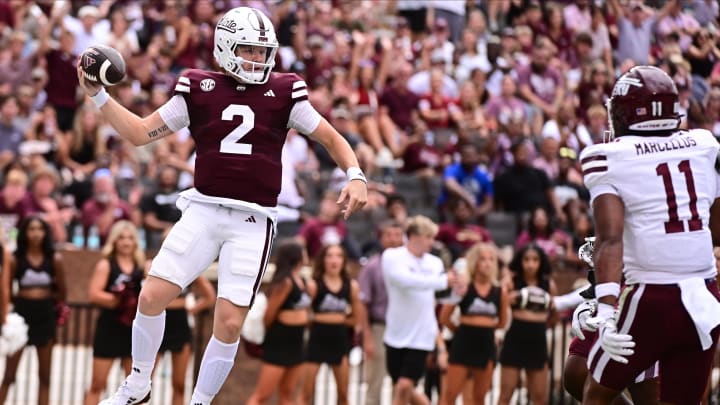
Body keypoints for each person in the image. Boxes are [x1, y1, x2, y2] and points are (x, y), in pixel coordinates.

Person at [77, 7, 367, 405]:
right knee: (150, 296)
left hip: (253, 219)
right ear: (227, 48)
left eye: (263, 52)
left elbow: (333, 138)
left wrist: (355, 174)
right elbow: (141, 133)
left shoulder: (285, 92)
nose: (258, 60)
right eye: (249, 50)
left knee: (229, 323)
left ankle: (199, 402)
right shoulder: (198, 87)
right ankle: (138, 384)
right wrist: (98, 95)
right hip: (203, 210)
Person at [580, 65, 720, 405]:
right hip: (704, 292)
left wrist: (607, 309)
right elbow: (714, 222)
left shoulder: (608, 157)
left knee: (594, 394)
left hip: (651, 295)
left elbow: (610, 240)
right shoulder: (704, 143)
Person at [382, 215, 457, 405]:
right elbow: (405, 281)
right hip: (395, 333)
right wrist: (443, 281)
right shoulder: (392, 256)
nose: (433, 242)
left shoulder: (435, 263)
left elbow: (441, 295)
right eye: (429, 237)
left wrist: (458, 289)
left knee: (404, 387)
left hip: (422, 335)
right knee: (406, 387)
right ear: (415, 236)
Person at [0, 215, 68, 405]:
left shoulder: (54, 259)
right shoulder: (15, 259)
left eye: (40, 229)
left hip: (45, 316)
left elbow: (62, 292)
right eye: (31, 229)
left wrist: (46, 300)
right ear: (24, 232)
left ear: (46, 232)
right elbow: (6, 288)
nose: (36, 233)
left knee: (45, 376)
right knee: (9, 374)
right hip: (21, 316)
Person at [439, 242, 509, 405]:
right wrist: (461, 330)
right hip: (463, 344)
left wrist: (484, 328)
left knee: (479, 398)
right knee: (449, 395)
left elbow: (502, 322)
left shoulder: (500, 291)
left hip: (486, 345)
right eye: (483, 259)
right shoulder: (464, 287)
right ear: (474, 262)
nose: (487, 263)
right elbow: (444, 317)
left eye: (491, 259)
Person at [84, 221, 145, 405]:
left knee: (134, 389)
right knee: (97, 384)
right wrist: (119, 298)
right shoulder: (106, 264)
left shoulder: (141, 266)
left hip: (133, 331)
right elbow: (94, 294)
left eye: (130, 238)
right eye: (121, 238)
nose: (126, 242)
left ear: (135, 242)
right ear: (114, 241)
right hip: (109, 328)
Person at [247, 240, 312, 405]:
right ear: (295, 256)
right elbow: (269, 315)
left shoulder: (302, 281)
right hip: (280, 341)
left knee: (287, 394)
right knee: (263, 394)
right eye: (303, 251)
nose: (306, 255)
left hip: (297, 341)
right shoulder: (285, 282)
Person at [299, 244, 365, 405]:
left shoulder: (351, 287)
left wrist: (330, 318)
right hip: (316, 342)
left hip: (340, 343)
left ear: (344, 260)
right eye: (329, 255)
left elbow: (357, 319)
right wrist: (335, 318)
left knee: (343, 395)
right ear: (323, 260)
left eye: (338, 255)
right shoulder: (314, 285)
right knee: (305, 394)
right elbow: (304, 316)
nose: (334, 260)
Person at [498, 243, 556, 405]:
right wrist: (507, 297)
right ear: (520, 261)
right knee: (505, 395)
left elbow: (554, 316)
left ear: (541, 262)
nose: (530, 264)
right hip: (515, 338)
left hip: (537, 340)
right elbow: (499, 308)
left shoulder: (549, 285)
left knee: (540, 398)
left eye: (535, 260)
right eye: (526, 259)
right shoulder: (511, 283)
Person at [358, 220, 405, 405]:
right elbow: (363, 303)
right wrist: (367, 337)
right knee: (374, 382)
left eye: (397, 235)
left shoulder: (410, 264)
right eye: (389, 235)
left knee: (402, 384)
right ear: (381, 238)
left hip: (404, 328)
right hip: (379, 327)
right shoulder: (372, 267)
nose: (393, 239)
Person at [155, 276, 216, 405]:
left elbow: (210, 297)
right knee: (143, 383)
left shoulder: (191, 268)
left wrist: (192, 309)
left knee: (179, 384)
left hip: (180, 328)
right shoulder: (156, 265)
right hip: (157, 327)